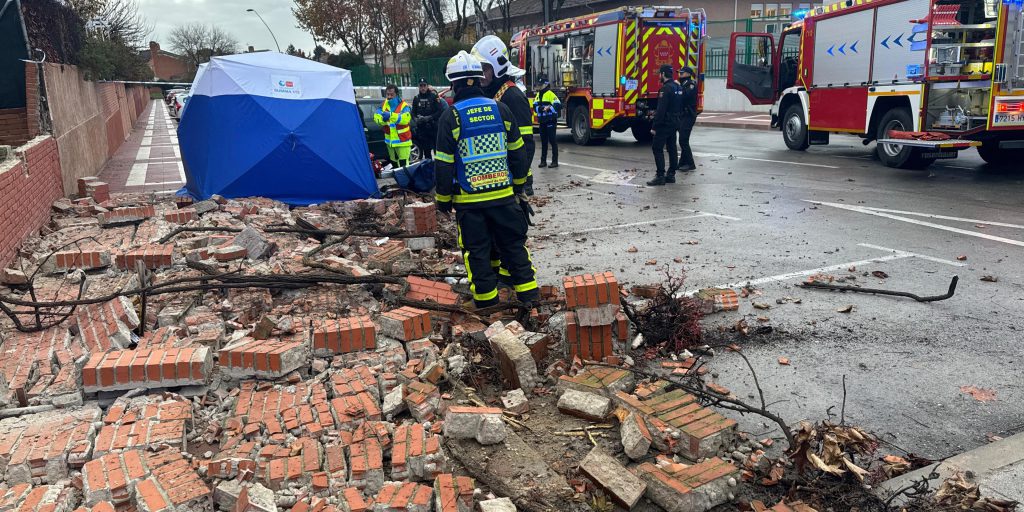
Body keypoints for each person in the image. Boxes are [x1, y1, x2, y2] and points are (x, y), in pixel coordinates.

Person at [433, 51, 539, 309]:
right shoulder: (500, 109)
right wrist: (518, 187)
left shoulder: (451, 116)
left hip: (470, 204)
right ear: (480, 80)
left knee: (477, 253)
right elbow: (517, 152)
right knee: (514, 247)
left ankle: (487, 307)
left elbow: (444, 164)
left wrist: (443, 200)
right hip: (504, 198)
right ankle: (531, 299)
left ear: (454, 84)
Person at [471, 35, 535, 196]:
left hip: (512, 182)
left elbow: (526, 145)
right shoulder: (492, 93)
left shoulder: (513, 97)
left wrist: (518, 183)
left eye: (484, 69)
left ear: (497, 68)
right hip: (498, 180)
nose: (480, 75)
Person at [647, 65, 683, 186]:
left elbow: (661, 110)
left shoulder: (665, 89)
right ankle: (671, 174)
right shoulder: (678, 87)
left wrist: (654, 127)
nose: (659, 76)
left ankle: (660, 175)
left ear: (663, 74)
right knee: (672, 147)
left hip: (665, 123)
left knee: (657, 148)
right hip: (675, 122)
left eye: (659, 74)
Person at [373, 84, 413, 168]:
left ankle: (406, 181)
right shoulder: (384, 104)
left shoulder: (404, 106)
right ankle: (399, 180)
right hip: (390, 142)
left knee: (404, 165)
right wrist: (382, 120)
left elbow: (405, 119)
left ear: (396, 94)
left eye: (391, 94)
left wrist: (391, 115)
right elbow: (376, 116)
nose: (389, 96)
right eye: (387, 94)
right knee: (394, 164)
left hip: (403, 141)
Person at [411, 78, 445, 160]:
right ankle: (429, 170)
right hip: (423, 129)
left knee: (438, 151)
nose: (423, 88)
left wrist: (429, 118)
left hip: (433, 128)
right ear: (418, 87)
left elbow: (440, 110)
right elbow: (413, 112)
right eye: (421, 86)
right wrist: (416, 120)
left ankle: (439, 170)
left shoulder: (433, 97)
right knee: (426, 153)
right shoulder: (416, 98)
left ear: (427, 86)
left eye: (424, 86)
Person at [675, 66, 698, 173]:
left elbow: (685, 95)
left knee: (683, 140)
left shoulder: (691, 85)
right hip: (682, 115)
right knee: (683, 139)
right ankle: (682, 163)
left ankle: (691, 163)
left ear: (688, 74)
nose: (680, 75)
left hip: (689, 115)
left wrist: (679, 87)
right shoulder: (684, 84)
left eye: (682, 73)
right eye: (679, 73)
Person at [534, 75, 560, 168]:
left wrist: (548, 109)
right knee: (543, 141)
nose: (539, 86)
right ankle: (543, 161)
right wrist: (541, 108)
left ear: (546, 85)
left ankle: (555, 162)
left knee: (552, 140)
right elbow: (534, 106)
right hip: (542, 121)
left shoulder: (550, 94)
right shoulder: (538, 94)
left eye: (541, 84)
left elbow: (557, 105)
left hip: (550, 121)